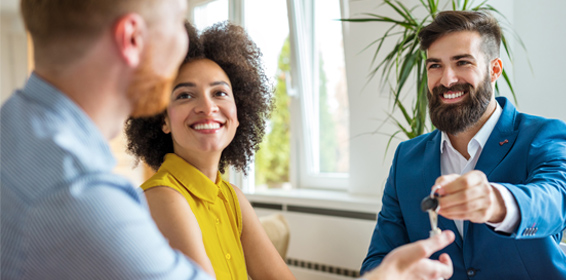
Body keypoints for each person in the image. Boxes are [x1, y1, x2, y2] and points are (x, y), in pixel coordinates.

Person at [0, 0, 452, 279]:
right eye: (179, 21)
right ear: (132, 38)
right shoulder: (80, 194)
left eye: (220, 92)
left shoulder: (19, 136)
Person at [361, 11, 566, 280]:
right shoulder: (406, 158)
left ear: (494, 69)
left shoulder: (545, 135)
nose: (446, 80)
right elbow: (379, 261)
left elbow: (557, 201)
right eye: (435, 66)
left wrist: (495, 202)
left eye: (462, 62)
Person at [124, 21, 292, 279]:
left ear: (239, 114)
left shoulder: (232, 198)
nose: (207, 106)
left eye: (220, 93)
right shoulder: (162, 197)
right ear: (163, 119)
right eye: (184, 95)